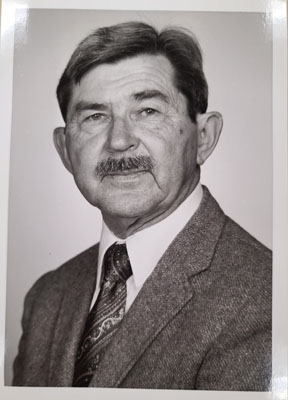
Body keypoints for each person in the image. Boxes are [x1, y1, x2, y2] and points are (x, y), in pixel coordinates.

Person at [12, 21, 272, 391]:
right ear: (65, 150)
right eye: (95, 116)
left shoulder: (269, 298)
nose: (119, 141)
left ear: (204, 137)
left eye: (148, 111)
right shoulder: (46, 298)